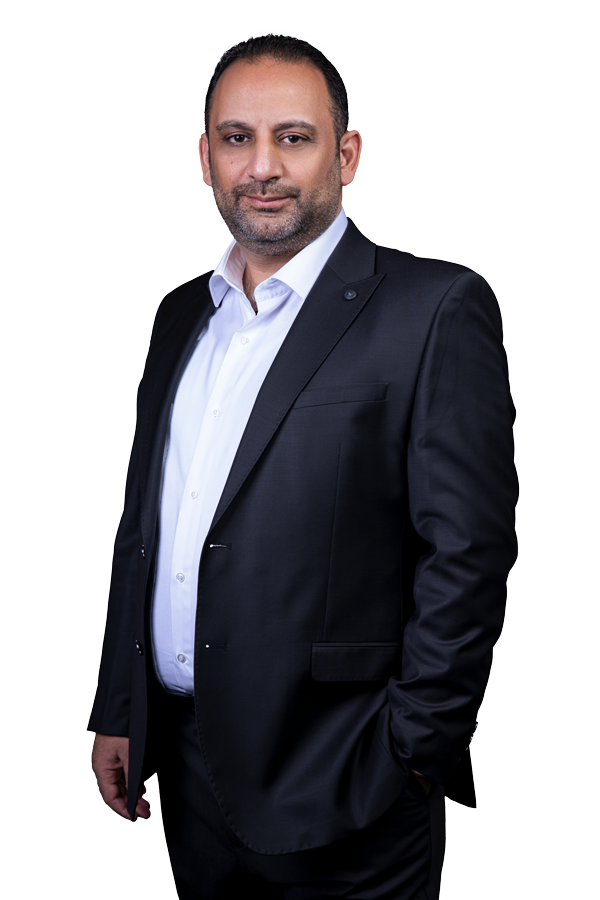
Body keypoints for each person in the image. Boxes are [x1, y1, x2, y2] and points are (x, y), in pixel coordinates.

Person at [89, 30, 518, 900]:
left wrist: (414, 749)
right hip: (189, 771)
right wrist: (120, 706)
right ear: (204, 158)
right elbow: (148, 525)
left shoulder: (432, 308)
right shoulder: (180, 316)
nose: (263, 167)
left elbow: (468, 551)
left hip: (348, 777)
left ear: (346, 155)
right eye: (236, 138)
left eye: (293, 137)